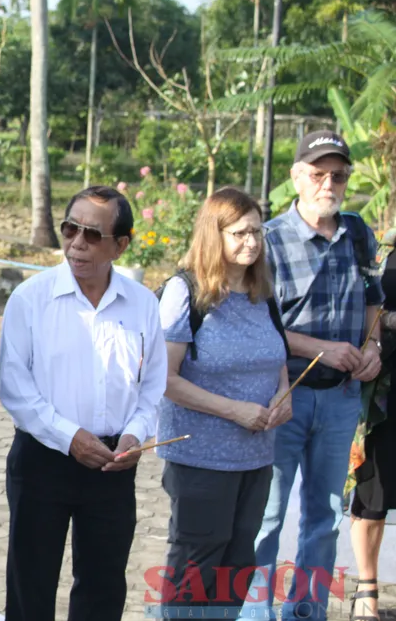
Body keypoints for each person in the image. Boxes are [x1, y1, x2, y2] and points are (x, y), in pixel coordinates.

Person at [0, 185, 166, 621]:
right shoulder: (30, 298)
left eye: (92, 234)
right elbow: (14, 386)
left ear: (120, 245)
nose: (76, 243)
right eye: (70, 229)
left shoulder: (142, 304)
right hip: (43, 460)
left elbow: (152, 386)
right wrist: (70, 437)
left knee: (102, 589)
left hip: (112, 465)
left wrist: (135, 434)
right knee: (30, 586)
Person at [242, 131, 384, 621]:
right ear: (296, 177)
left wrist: (372, 347)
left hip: (342, 397)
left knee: (325, 517)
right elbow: (257, 324)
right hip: (285, 396)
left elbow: (374, 300)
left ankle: (307, 612)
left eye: (338, 176)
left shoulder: (358, 232)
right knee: (267, 516)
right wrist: (322, 349)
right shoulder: (267, 240)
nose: (329, 184)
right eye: (319, 174)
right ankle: (256, 614)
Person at [155, 187, 290, 617]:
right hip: (200, 459)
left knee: (238, 563)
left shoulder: (262, 292)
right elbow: (164, 379)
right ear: (214, 235)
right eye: (240, 233)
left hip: (255, 457)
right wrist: (234, 410)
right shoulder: (186, 292)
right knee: (196, 563)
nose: (252, 242)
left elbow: (276, 356)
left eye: (257, 232)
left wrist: (284, 393)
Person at [347, 226, 396, 621]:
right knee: (373, 494)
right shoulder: (379, 252)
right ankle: (367, 590)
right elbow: (366, 313)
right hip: (385, 397)